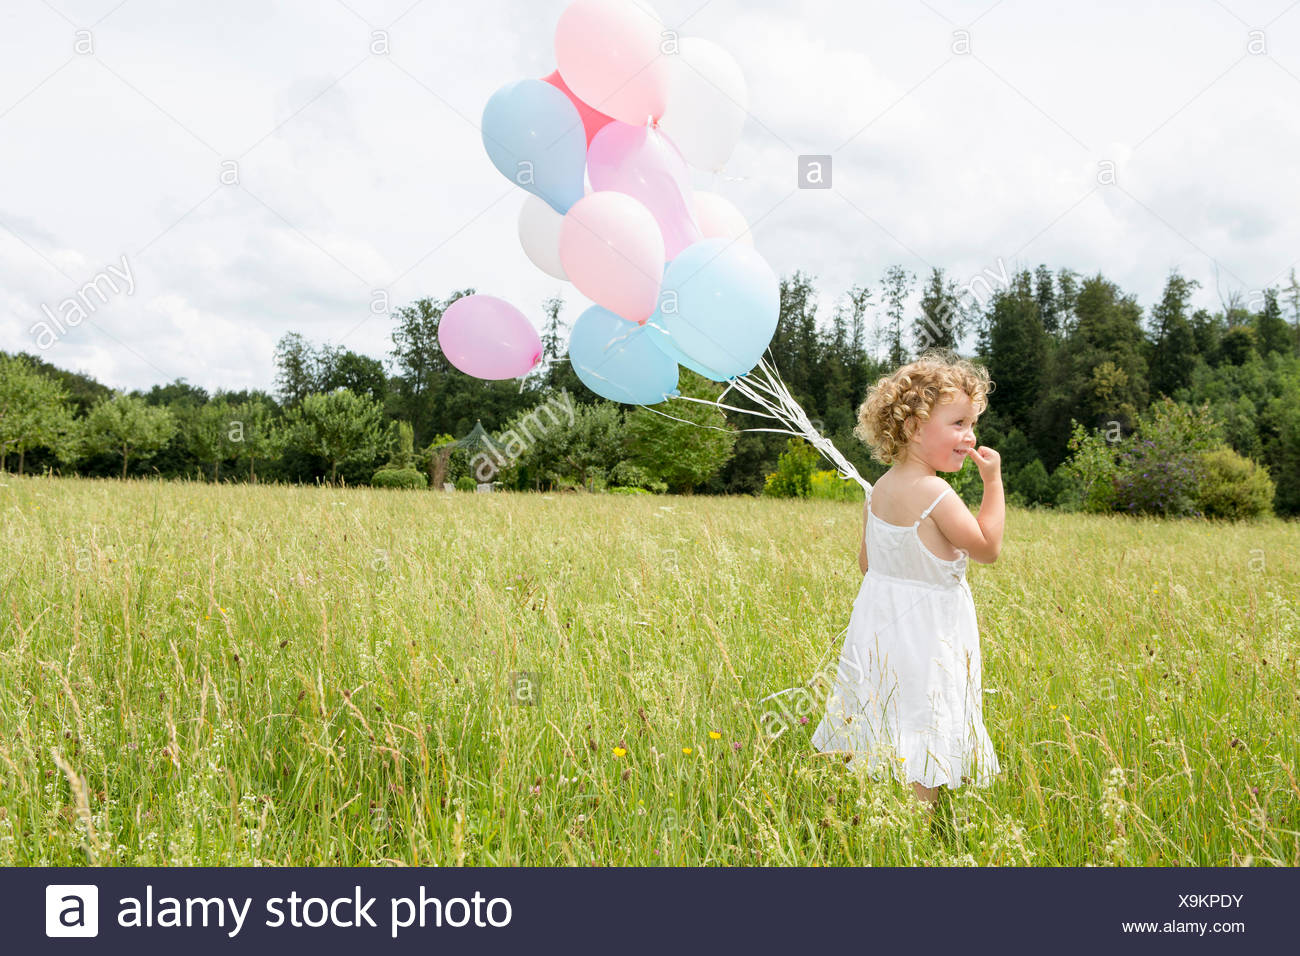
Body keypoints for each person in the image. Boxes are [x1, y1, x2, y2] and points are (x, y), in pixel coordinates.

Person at [810, 351, 1005, 817]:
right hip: (929, 633)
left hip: (879, 627)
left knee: (881, 711)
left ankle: (864, 809)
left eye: (972, 423)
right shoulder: (936, 493)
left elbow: (866, 563)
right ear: (915, 427)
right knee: (925, 718)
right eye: (958, 422)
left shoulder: (879, 489)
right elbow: (986, 546)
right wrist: (993, 483)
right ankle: (917, 826)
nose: (970, 435)